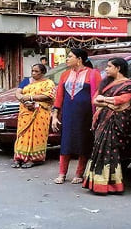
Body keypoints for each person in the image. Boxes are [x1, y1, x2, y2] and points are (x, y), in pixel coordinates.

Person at [82, 57, 131, 194]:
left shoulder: (129, 86)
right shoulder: (106, 83)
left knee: (111, 151)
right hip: (103, 121)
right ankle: (97, 183)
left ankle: (111, 185)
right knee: (99, 150)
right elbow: (95, 100)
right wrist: (109, 103)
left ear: (118, 68)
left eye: (109, 66)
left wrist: (105, 100)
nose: (106, 69)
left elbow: (123, 101)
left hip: (118, 123)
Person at [51, 49, 102, 184]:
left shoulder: (93, 74)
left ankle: (79, 173)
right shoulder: (65, 74)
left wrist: (97, 114)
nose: (67, 59)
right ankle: (62, 174)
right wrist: (55, 115)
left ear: (79, 59)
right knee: (65, 143)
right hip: (68, 114)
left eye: (70, 57)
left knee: (83, 143)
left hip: (86, 114)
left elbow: (99, 95)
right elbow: (59, 97)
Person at [11, 64, 55, 169]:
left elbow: (49, 96)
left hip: (40, 113)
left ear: (43, 73)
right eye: (32, 71)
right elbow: (18, 93)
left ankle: (33, 159)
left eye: (36, 71)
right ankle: (19, 158)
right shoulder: (27, 81)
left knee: (36, 135)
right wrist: (24, 100)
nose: (33, 73)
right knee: (22, 135)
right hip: (25, 112)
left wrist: (31, 98)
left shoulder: (48, 83)